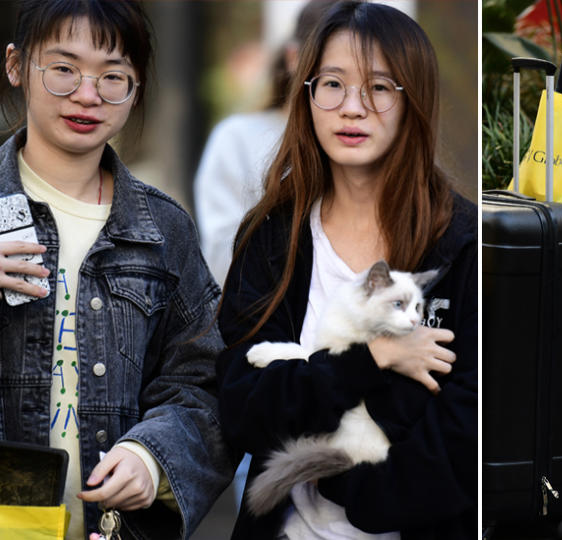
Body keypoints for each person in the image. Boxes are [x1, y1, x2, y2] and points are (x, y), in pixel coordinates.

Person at [215, 2, 477, 538]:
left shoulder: (461, 243)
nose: (352, 108)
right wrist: (373, 359)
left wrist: (338, 482)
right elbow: (243, 405)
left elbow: (462, 436)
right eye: (332, 84)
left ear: (413, 101)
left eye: (380, 88)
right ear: (307, 93)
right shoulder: (271, 236)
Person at [0, 1, 233, 538]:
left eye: (113, 77)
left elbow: (206, 381)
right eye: (63, 69)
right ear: (16, 65)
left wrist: (151, 457)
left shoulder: (164, 230)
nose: (88, 94)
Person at [194, 0, 334, 286]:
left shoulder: (363, 143)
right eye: (331, 68)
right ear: (293, 58)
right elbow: (221, 263)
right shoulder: (237, 139)